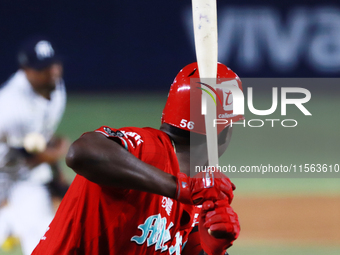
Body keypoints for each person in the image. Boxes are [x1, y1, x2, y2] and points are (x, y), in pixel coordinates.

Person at [32, 62, 244, 255]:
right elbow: (79, 153)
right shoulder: (149, 149)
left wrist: (215, 249)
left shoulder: (202, 190)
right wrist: (180, 187)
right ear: (223, 131)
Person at [0, 36, 69, 255]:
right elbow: (34, 155)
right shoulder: (8, 106)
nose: (53, 72)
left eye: (53, 64)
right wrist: (57, 152)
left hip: (24, 177)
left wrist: (56, 176)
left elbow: (40, 144)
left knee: (44, 243)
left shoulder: (56, 90)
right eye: (43, 68)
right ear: (26, 70)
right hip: (4, 171)